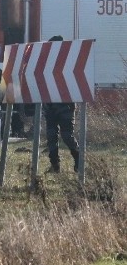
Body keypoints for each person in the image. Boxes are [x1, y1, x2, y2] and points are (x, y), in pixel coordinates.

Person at [43, 36, 80, 173]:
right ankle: (55, 165)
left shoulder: (68, 62)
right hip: (51, 104)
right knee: (51, 135)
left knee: (66, 135)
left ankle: (78, 160)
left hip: (65, 103)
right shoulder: (46, 63)